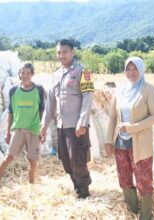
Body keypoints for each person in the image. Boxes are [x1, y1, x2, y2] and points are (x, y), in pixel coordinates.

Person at [105, 57, 154, 219]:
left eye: (135, 69)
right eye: (128, 69)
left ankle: (145, 216)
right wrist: (109, 141)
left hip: (140, 144)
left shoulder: (148, 89)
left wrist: (134, 128)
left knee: (144, 180)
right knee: (124, 177)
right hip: (121, 143)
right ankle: (132, 212)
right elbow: (113, 117)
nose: (131, 73)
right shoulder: (120, 90)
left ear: (141, 70)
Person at [40, 39, 94, 199]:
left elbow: (88, 97)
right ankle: (77, 186)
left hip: (77, 126)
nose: (61, 55)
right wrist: (44, 124)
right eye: (58, 52)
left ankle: (83, 192)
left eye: (64, 52)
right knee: (66, 160)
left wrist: (82, 123)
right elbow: (50, 102)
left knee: (78, 159)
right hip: (61, 126)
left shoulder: (84, 71)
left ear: (72, 52)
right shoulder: (55, 75)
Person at [0, 63, 45, 184]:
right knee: (9, 157)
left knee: (32, 160)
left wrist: (42, 129)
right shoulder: (13, 90)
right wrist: (8, 132)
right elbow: (11, 112)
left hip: (33, 130)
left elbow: (42, 109)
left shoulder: (39, 89)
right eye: (23, 73)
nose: (25, 76)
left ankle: (31, 184)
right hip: (18, 129)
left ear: (32, 74)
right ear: (19, 75)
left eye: (28, 73)